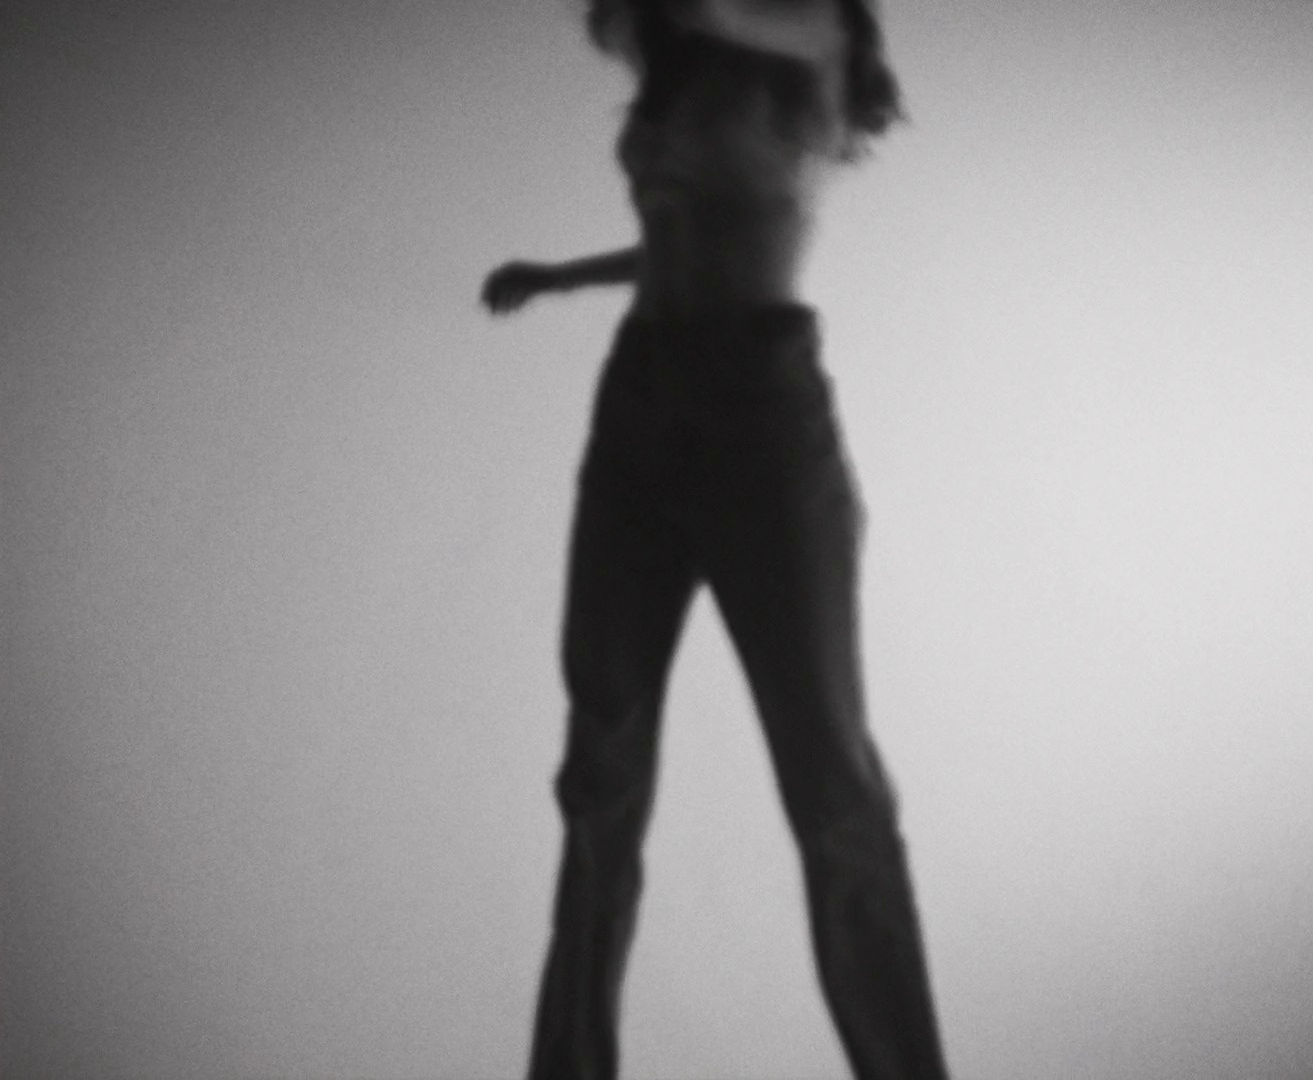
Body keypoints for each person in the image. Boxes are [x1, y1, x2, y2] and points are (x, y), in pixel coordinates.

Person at [481, 3, 949, 1077]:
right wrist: (557, 276)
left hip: (761, 420)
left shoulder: (819, 41)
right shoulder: (689, 60)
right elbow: (674, 231)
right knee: (599, 764)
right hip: (639, 405)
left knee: (832, 780)